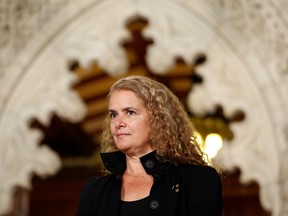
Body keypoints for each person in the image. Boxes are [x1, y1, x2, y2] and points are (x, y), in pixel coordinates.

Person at [76, 75, 223, 216]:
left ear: (158, 120)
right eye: (114, 114)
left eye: (130, 112)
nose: (118, 123)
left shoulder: (198, 180)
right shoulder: (95, 190)